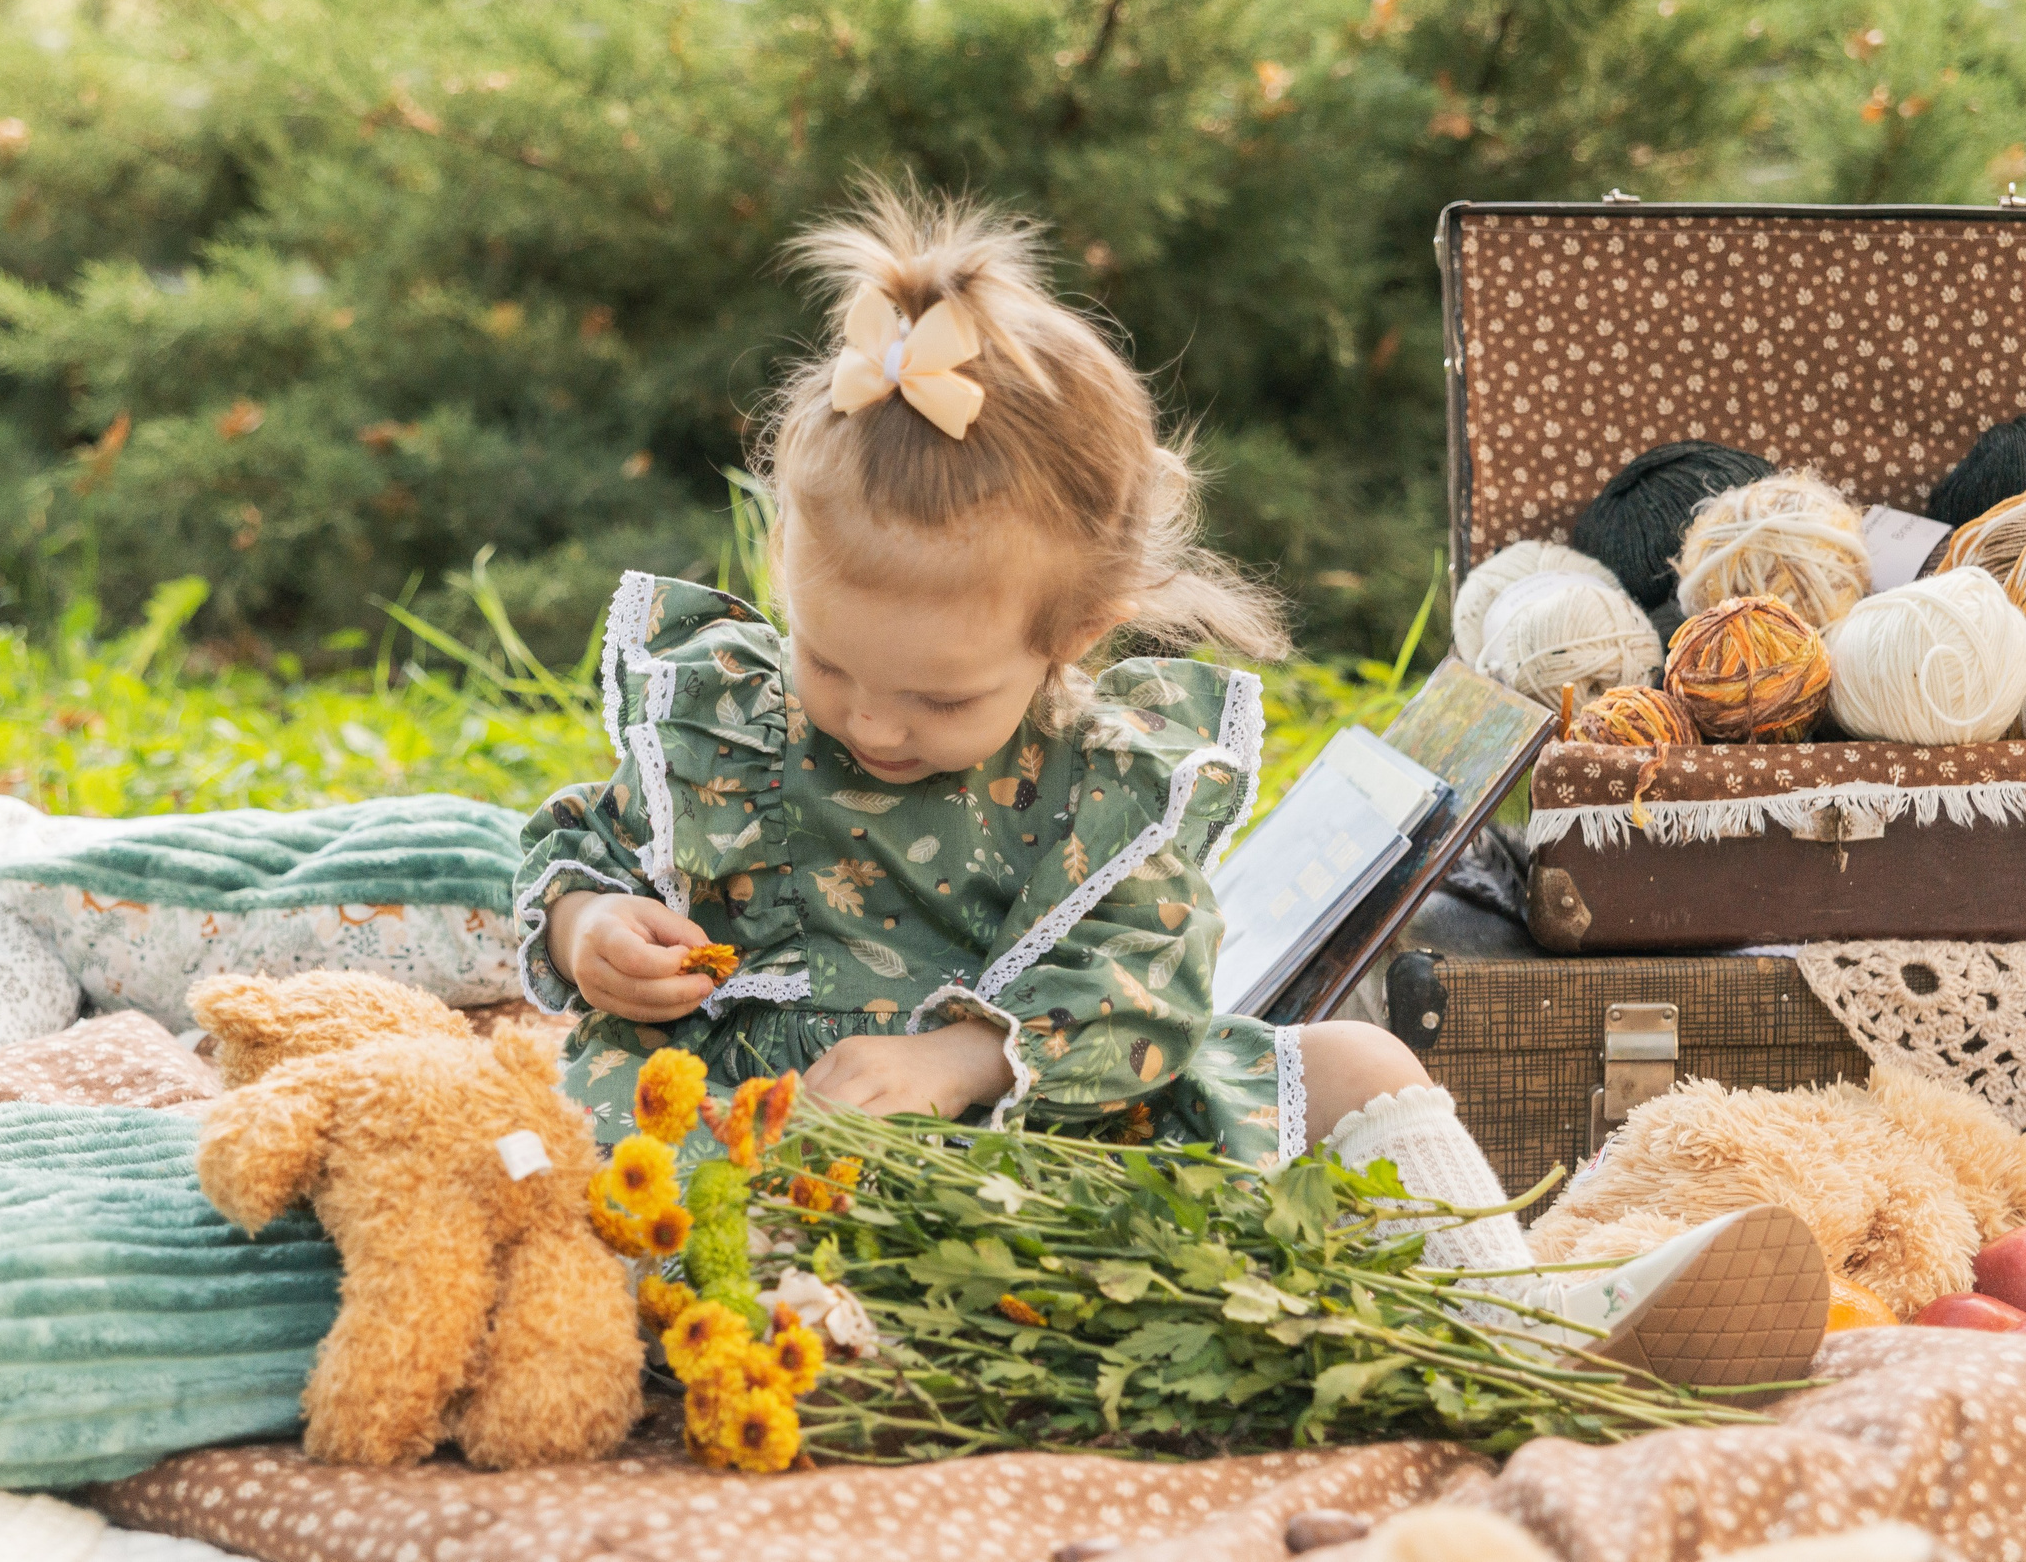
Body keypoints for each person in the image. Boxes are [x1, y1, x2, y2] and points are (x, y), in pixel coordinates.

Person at [514, 185, 1824, 1385]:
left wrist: (966, 1055)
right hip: (768, 1135)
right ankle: (797, 1332)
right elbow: (587, 838)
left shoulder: (1107, 780)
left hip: (1048, 1132)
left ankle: (1520, 1315)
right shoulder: (736, 731)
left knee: (1355, 1060)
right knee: (563, 1180)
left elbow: (1148, 986)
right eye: (828, 662)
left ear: (1075, 634)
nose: (869, 719)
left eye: (940, 698)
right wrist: (590, 923)